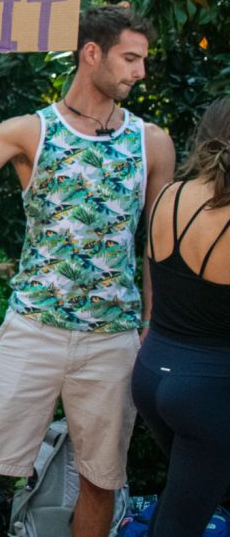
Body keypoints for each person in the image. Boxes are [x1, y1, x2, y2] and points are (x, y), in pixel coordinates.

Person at [0, 5, 175, 537]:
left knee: (101, 480)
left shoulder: (151, 142)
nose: (140, 72)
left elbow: (156, 246)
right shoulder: (31, 131)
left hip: (113, 339)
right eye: (130, 58)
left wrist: (154, 326)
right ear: (92, 54)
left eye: (142, 60)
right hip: (32, 330)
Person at [130, 97, 230, 536]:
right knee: (180, 523)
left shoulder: (169, 196)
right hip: (207, 388)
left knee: (191, 499)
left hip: (152, 374)